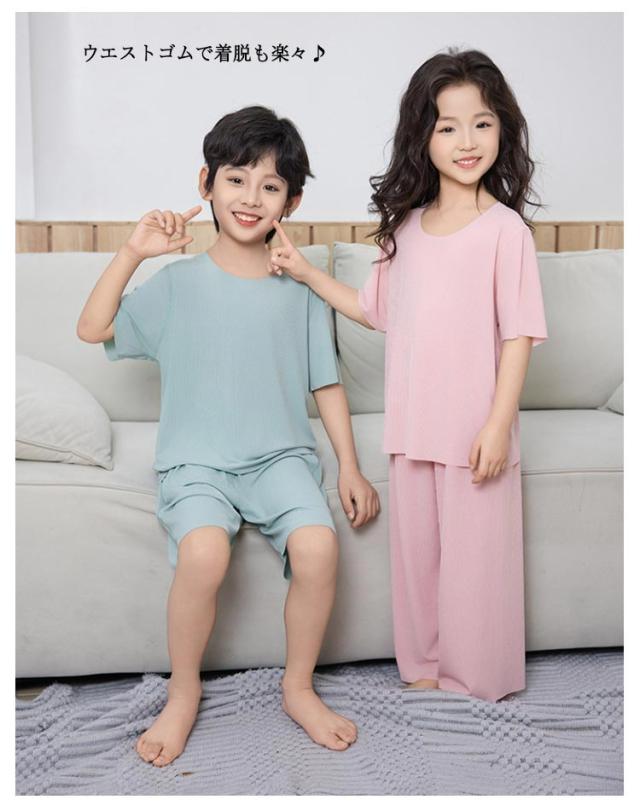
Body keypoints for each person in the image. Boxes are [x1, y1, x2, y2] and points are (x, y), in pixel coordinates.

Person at [77, 105, 380, 766]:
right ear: (206, 183)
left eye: (270, 186)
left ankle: (298, 687)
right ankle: (183, 690)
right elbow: (92, 328)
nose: (250, 197)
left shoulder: (299, 286)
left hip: (280, 458)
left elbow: (326, 384)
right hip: (197, 463)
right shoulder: (178, 283)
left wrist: (351, 467)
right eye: (236, 179)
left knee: (319, 547)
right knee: (204, 553)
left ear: (291, 203)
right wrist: (133, 253)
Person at [267, 49, 548, 703]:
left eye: (481, 123)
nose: (467, 141)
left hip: (476, 429)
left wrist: (499, 424)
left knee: (476, 564)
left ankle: (476, 677)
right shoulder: (408, 229)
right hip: (413, 425)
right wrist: (305, 272)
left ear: (502, 130)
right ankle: (423, 664)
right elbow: (375, 310)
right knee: (417, 561)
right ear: (423, 137)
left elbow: (519, 335)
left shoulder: (506, 232)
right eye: (448, 126)